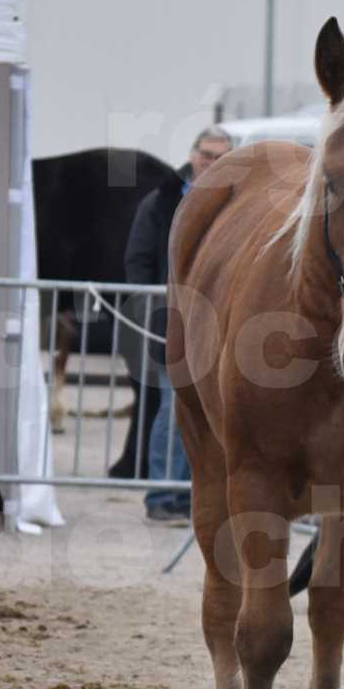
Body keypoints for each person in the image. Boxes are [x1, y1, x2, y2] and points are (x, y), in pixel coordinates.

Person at [123, 125, 233, 525]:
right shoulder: (160, 203)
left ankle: (191, 496)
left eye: (221, 157)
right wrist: (153, 309)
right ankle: (162, 495)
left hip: (222, 327)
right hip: (174, 322)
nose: (212, 163)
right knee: (174, 409)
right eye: (206, 155)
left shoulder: (236, 204)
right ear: (192, 155)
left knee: (206, 415)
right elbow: (137, 261)